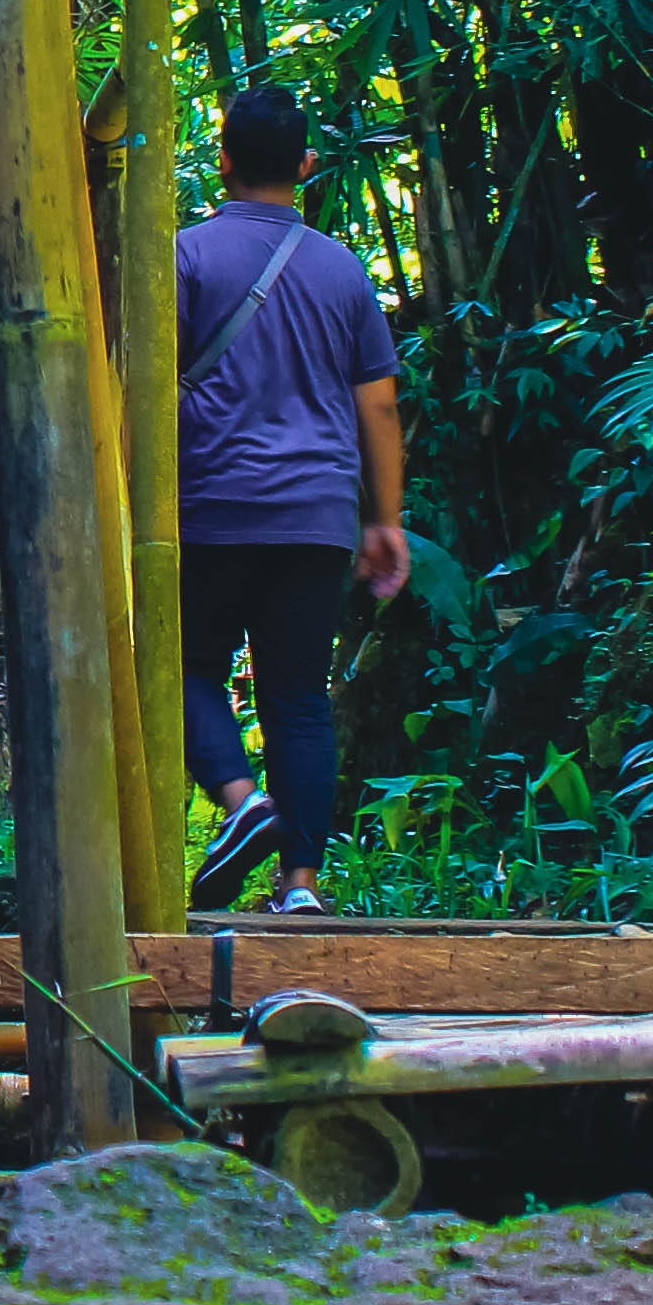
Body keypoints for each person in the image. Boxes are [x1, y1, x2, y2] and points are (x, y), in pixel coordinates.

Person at [174, 82, 410, 914]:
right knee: (299, 698)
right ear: (305, 166)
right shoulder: (343, 270)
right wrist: (384, 520)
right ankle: (300, 887)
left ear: (224, 161)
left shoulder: (186, 257)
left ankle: (245, 806)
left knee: (185, 665)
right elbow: (376, 404)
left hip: (208, 509)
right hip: (316, 517)